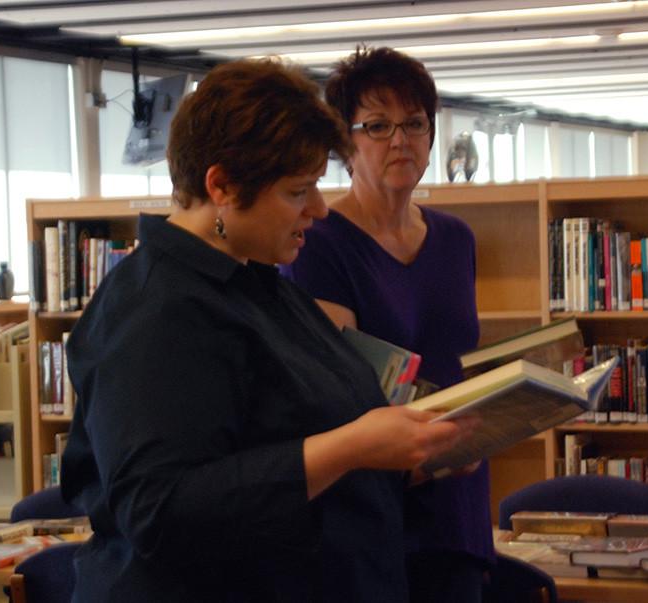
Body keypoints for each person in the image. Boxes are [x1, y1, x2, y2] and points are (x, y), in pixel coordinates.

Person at [60, 59, 467, 603]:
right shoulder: (157, 310)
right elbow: (161, 509)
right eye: (299, 192)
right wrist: (353, 446)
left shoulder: (261, 286)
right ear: (222, 186)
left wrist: (415, 453)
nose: (320, 211)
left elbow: (297, 440)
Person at [280, 46, 494, 602]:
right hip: (372, 507)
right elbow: (338, 390)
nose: (400, 140)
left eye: (414, 123)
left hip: (457, 499)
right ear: (345, 145)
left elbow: (455, 361)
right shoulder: (317, 243)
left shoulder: (455, 239)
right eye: (377, 126)